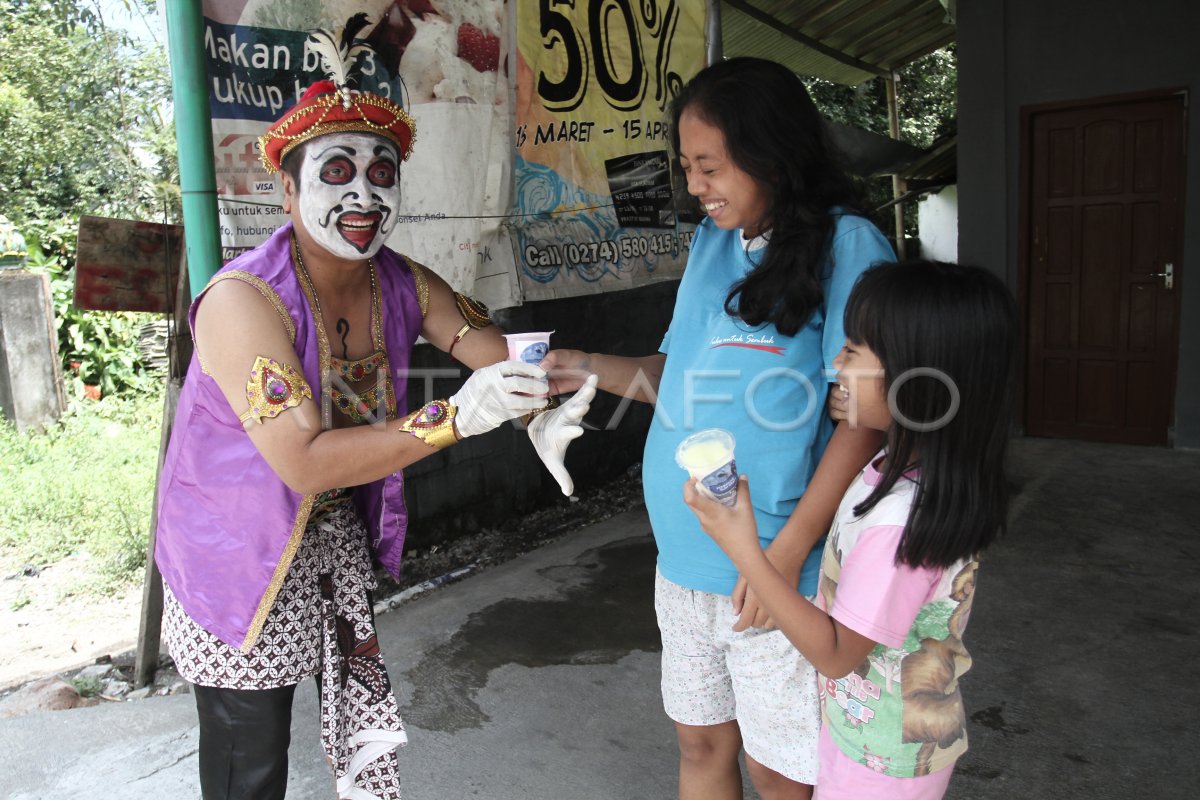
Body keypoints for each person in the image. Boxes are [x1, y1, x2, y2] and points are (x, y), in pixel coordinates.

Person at [153, 21, 595, 800]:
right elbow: (302, 458)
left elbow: (492, 353)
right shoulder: (241, 301)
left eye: (382, 173)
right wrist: (459, 417)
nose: (364, 194)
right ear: (287, 189)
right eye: (338, 171)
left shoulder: (400, 279)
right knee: (248, 758)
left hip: (329, 542)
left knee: (356, 731)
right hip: (234, 551)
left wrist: (538, 407)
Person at [541, 57, 893, 799]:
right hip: (683, 559)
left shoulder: (849, 246)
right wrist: (581, 364)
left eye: (709, 166)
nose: (695, 186)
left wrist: (784, 555)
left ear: (771, 153)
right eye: (687, 167)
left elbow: (864, 424)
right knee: (700, 742)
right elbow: (677, 375)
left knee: (779, 769)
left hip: (772, 566)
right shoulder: (712, 245)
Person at [685, 259, 1020, 799]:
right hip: (867, 735)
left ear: (917, 380)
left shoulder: (902, 525)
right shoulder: (895, 469)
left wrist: (742, 546)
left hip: (885, 762)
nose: (836, 361)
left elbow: (838, 653)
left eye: (854, 350)